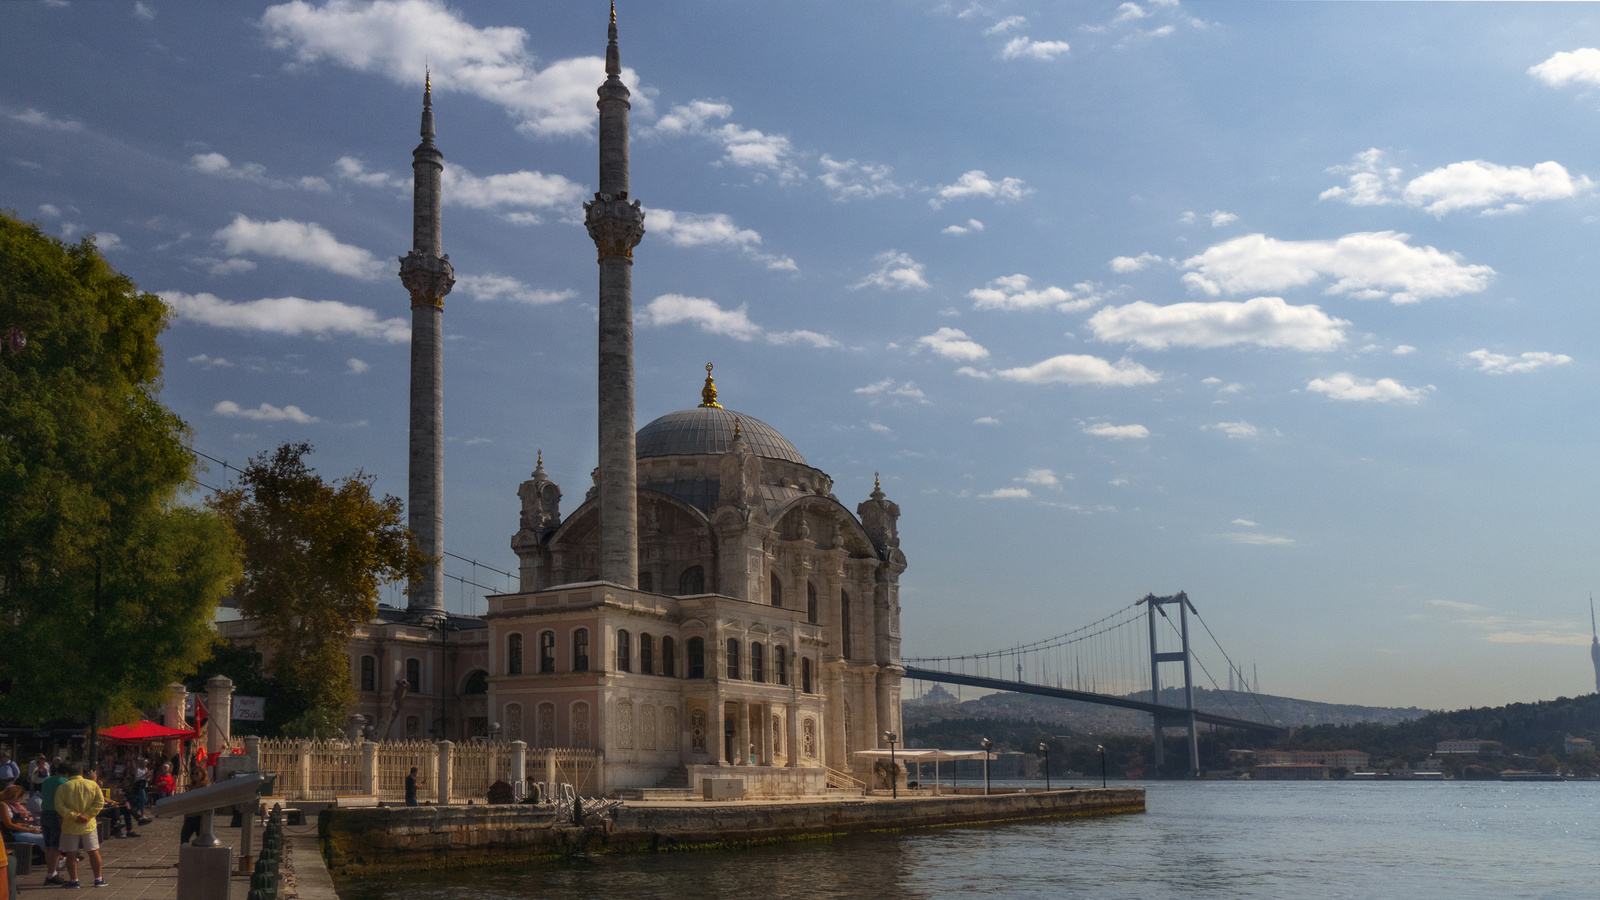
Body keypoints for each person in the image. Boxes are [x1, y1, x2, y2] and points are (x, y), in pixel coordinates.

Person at [54, 762, 105, 889]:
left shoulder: (63, 787)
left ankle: (74, 880)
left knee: (71, 853)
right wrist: (87, 815)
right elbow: (100, 802)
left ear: (67, 774)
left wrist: (74, 815)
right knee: (93, 851)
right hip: (89, 824)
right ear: (81, 773)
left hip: (70, 825)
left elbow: (59, 807)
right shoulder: (93, 784)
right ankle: (98, 879)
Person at [37, 761, 67, 885]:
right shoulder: (64, 782)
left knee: (48, 845)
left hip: (45, 813)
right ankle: (51, 874)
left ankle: (50, 872)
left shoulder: (46, 781)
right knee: (55, 846)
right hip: (57, 814)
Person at [0, 786, 43, 856]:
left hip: (11, 831)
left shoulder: (6, 804)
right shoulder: (2, 805)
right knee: (41, 838)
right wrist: (29, 830)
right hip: (8, 834)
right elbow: (8, 824)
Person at [178, 759, 209, 846]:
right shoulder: (191, 786)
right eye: (193, 773)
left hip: (199, 816)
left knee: (201, 839)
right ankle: (185, 855)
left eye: (197, 773)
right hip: (189, 815)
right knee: (184, 838)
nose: (194, 775)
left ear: (203, 774)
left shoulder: (205, 786)